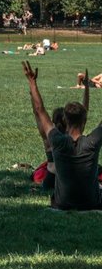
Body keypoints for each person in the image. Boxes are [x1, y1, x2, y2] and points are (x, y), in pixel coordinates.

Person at [23, 62, 102, 210]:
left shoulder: (57, 141)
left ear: (65, 119)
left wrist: (32, 82)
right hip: (92, 203)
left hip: (62, 203)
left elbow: (40, 110)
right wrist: (86, 89)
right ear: (84, 120)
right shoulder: (92, 142)